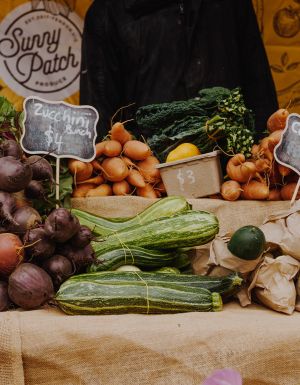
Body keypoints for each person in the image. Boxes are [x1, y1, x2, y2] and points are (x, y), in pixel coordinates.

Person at [80, 0, 278, 140]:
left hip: (235, 167)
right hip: (147, 177)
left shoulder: (229, 4)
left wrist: (265, 151)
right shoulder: (106, 14)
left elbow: (259, 91)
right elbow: (99, 120)